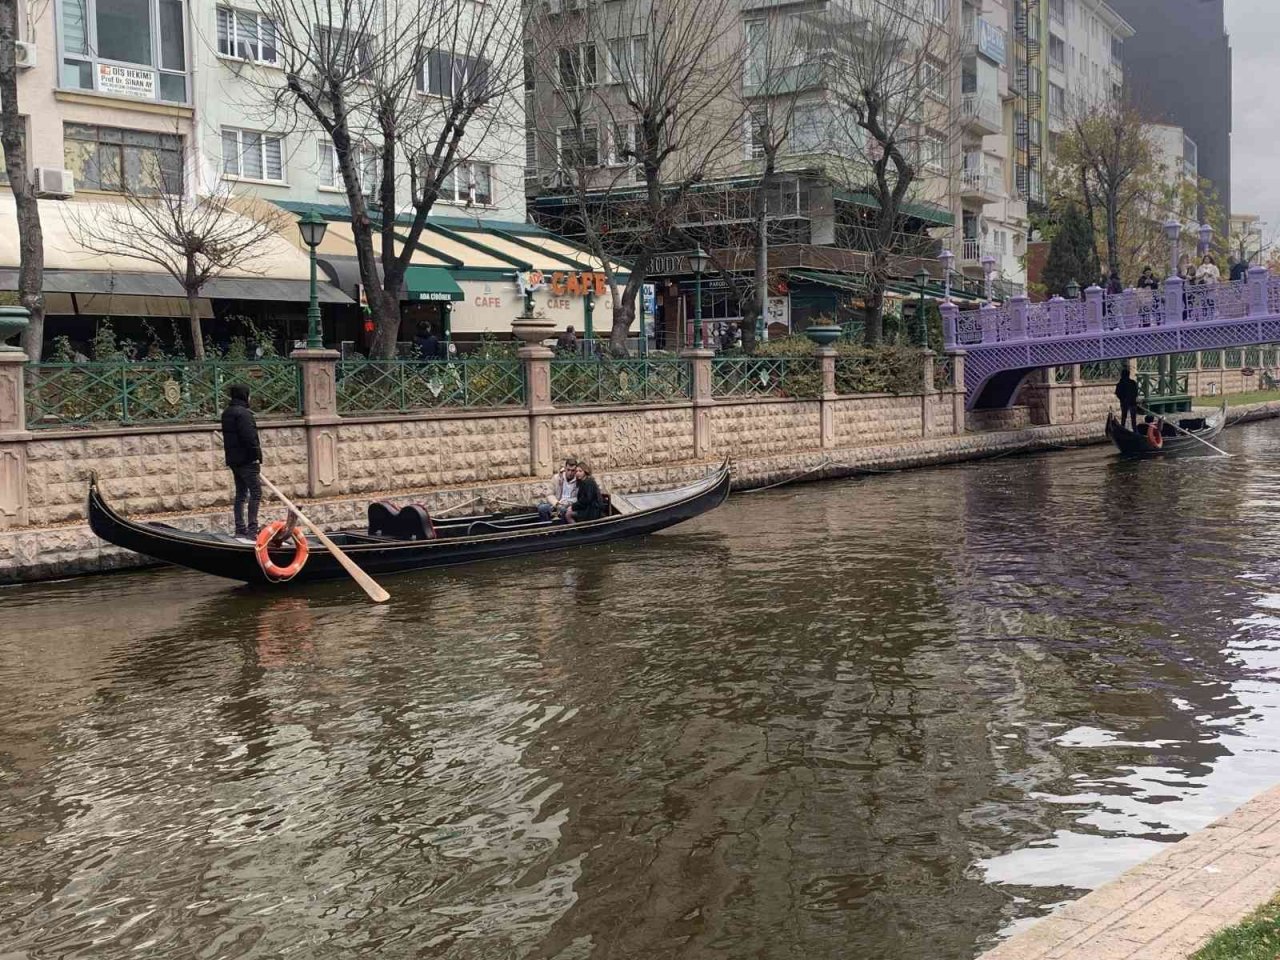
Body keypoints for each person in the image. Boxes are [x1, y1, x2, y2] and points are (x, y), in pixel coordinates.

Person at [221, 383, 262, 538]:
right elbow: (250, 438)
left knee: (241, 494)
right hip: (247, 460)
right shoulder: (244, 414)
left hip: (233, 460)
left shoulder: (226, 413)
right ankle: (252, 530)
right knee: (256, 492)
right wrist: (256, 457)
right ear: (245, 396)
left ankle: (240, 529)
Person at [538, 456, 578, 521]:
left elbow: (578, 497)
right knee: (542, 508)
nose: (570, 473)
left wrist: (567, 503)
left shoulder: (578, 481)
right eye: (568, 470)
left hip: (569, 506)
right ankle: (548, 529)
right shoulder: (556, 478)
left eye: (573, 470)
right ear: (565, 468)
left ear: (575, 470)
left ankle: (561, 529)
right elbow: (549, 494)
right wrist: (557, 504)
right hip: (556, 504)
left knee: (562, 510)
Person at [1114, 366, 1140, 431]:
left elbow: (1117, 393)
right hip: (1132, 403)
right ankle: (1134, 430)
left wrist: (1123, 399)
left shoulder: (1120, 384)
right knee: (1132, 419)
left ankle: (1123, 429)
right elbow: (1136, 392)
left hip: (1126, 403)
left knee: (1124, 418)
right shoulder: (1133, 383)